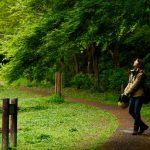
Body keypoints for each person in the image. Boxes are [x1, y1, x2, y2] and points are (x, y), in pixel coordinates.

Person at [123, 58, 149, 135]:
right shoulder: (132, 72)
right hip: (133, 95)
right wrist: (125, 92)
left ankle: (136, 129)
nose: (134, 61)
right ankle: (143, 126)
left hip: (139, 95)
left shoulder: (141, 74)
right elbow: (129, 83)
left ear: (139, 64)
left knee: (136, 111)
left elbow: (135, 85)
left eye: (136, 61)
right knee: (131, 111)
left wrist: (127, 93)